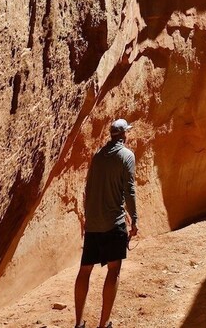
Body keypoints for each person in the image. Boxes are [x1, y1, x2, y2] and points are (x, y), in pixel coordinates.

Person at [74, 119, 138, 328]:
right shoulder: (127, 156)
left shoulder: (98, 157)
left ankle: (78, 323)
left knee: (85, 271)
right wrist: (134, 218)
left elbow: (88, 189)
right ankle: (104, 323)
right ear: (124, 135)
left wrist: (89, 219)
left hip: (94, 224)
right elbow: (129, 190)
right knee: (114, 270)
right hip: (114, 222)